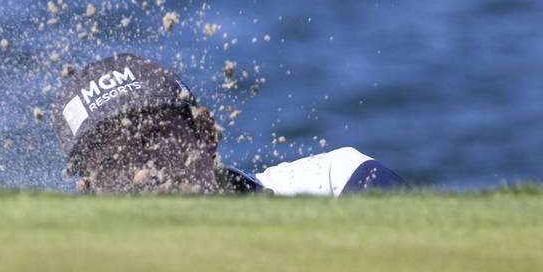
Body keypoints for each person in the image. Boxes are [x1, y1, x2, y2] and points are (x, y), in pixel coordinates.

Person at [50, 52, 405, 195]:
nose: (141, 175)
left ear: (205, 136)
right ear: (91, 193)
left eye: (154, 138)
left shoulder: (339, 184)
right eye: (111, 163)